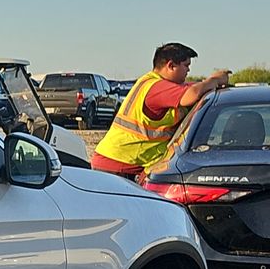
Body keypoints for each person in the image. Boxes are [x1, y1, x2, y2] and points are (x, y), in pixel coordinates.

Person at [92, 42, 231, 177]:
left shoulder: (154, 83)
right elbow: (191, 94)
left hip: (123, 162)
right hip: (118, 164)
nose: (188, 70)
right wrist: (214, 80)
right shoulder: (157, 87)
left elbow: (191, 89)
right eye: (186, 65)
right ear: (171, 65)